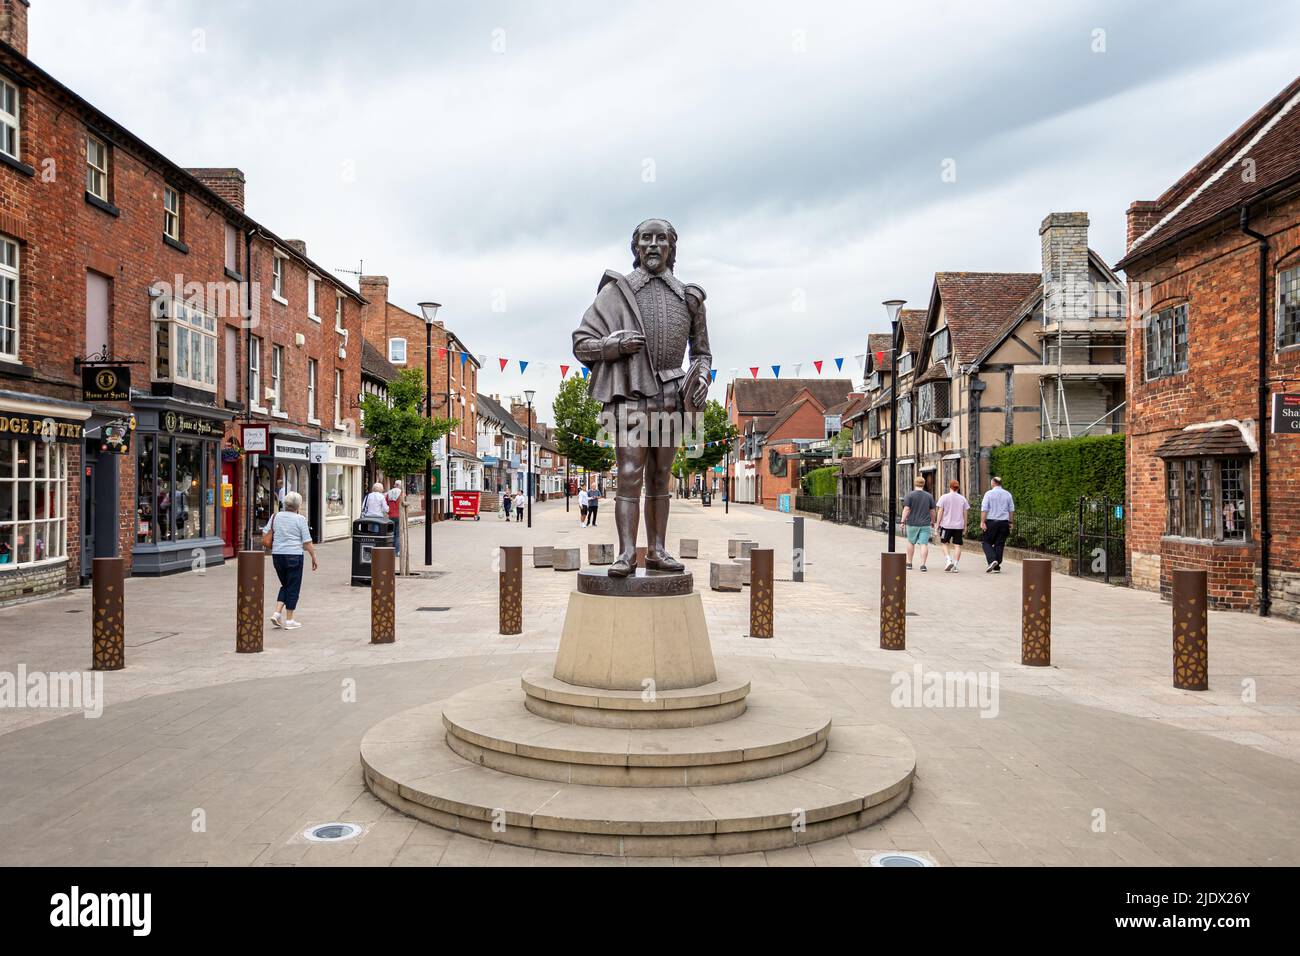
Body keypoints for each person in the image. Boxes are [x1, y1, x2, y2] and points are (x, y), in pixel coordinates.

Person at [571, 217, 711, 577]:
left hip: (672, 394)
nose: (652, 245)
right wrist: (613, 345)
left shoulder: (689, 298)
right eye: (645, 239)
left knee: (662, 477)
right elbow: (581, 343)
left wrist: (704, 376)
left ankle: (658, 551)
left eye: (660, 239)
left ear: (671, 247)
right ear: (635, 248)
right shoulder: (615, 293)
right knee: (630, 473)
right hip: (629, 394)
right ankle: (626, 553)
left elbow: (702, 353)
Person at [264, 491, 317, 630]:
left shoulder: (275, 516)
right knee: (293, 587)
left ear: (285, 504)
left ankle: (276, 613)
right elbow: (307, 542)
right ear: (298, 505)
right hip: (294, 555)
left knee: (285, 584)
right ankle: (289, 620)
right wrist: (313, 557)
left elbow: (265, 532)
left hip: (277, 555)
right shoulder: (300, 519)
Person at [980, 476, 1015, 573]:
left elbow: (984, 509)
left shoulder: (989, 494)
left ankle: (992, 560)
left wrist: (982, 521)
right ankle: (997, 565)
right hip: (1004, 523)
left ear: (993, 483)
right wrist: (1011, 522)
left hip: (992, 522)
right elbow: (1011, 510)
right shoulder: (1008, 494)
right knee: (999, 543)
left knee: (986, 542)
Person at [901, 477, 936, 571]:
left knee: (910, 542)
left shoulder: (910, 495)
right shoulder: (929, 496)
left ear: (915, 483)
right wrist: (933, 521)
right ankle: (923, 565)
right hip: (925, 524)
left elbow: (906, 509)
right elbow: (932, 510)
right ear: (923, 484)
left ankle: (909, 563)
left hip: (912, 523)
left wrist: (902, 521)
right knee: (924, 544)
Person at [935, 479, 971, 572]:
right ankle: (955, 565)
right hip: (959, 526)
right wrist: (965, 525)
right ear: (958, 487)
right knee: (957, 545)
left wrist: (937, 524)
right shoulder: (962, 498)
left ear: (949, 486)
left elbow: (940, 511)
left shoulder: (944, 497)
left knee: (944, 543)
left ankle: (948, 560)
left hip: (946, 525)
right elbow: (965, 513)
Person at [386, 480, 403, 556]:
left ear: (395, 485)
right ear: (399, 485)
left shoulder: (388, 493)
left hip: (391, 516)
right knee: (398, 535)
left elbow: (386, 503)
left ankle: (391, 550)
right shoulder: (401, 493)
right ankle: (397, 551)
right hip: (399, 515)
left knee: (391, 533)